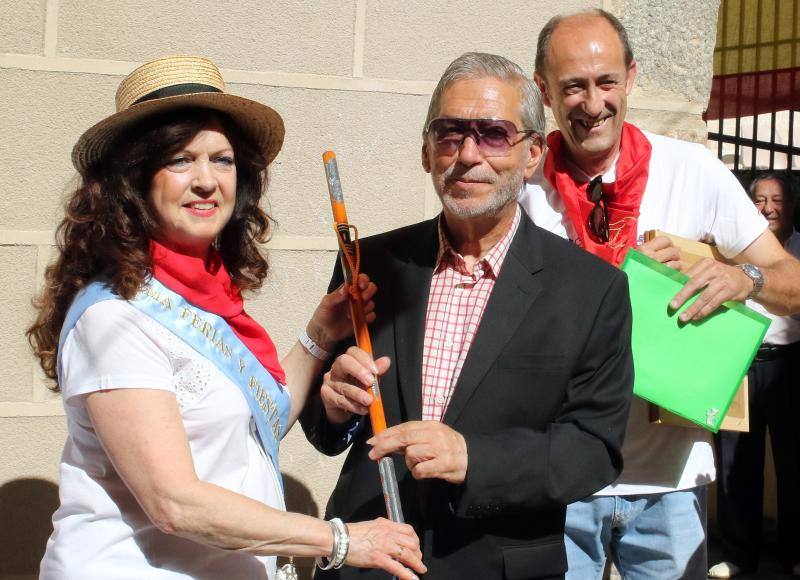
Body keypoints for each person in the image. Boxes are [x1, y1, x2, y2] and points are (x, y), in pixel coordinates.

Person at [27, 55, 425, 580]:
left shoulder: (203, 292)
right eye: (180, 160)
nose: (206, 181)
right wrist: (341, 539)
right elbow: (175, 503)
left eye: (222, 160)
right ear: (134, 178)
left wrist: (319, 335)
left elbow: (252, 425)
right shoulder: (115, 315)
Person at [299, 52, 634, 580]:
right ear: (426, 151)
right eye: (450, 133)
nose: (468, 154)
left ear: (532, 154)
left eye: (495, 134)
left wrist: (472, 458)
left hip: (497, 565)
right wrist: (335, 407)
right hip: (367, 561)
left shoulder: (591, 289)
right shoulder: (370, 262)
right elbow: (325, 431)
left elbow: (593, 450)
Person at [519, 9, 800, 580]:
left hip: (668, 483)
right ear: (543, 90)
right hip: (555, 478)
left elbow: (791, 280)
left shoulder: (693, 169)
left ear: (631, 76)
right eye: (572, 86)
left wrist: (744, 278)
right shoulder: (521, 186)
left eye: (606, 82)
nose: (593, 103)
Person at [710, 172, 800, 578]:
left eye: (776, 200)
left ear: (791, 205)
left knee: (794, 462)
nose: (768, 209)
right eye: (760, 200)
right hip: (740, 363)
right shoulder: (732, 250)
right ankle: (737, 554)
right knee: (735, 461)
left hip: (790, 365)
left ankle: (795, 551)